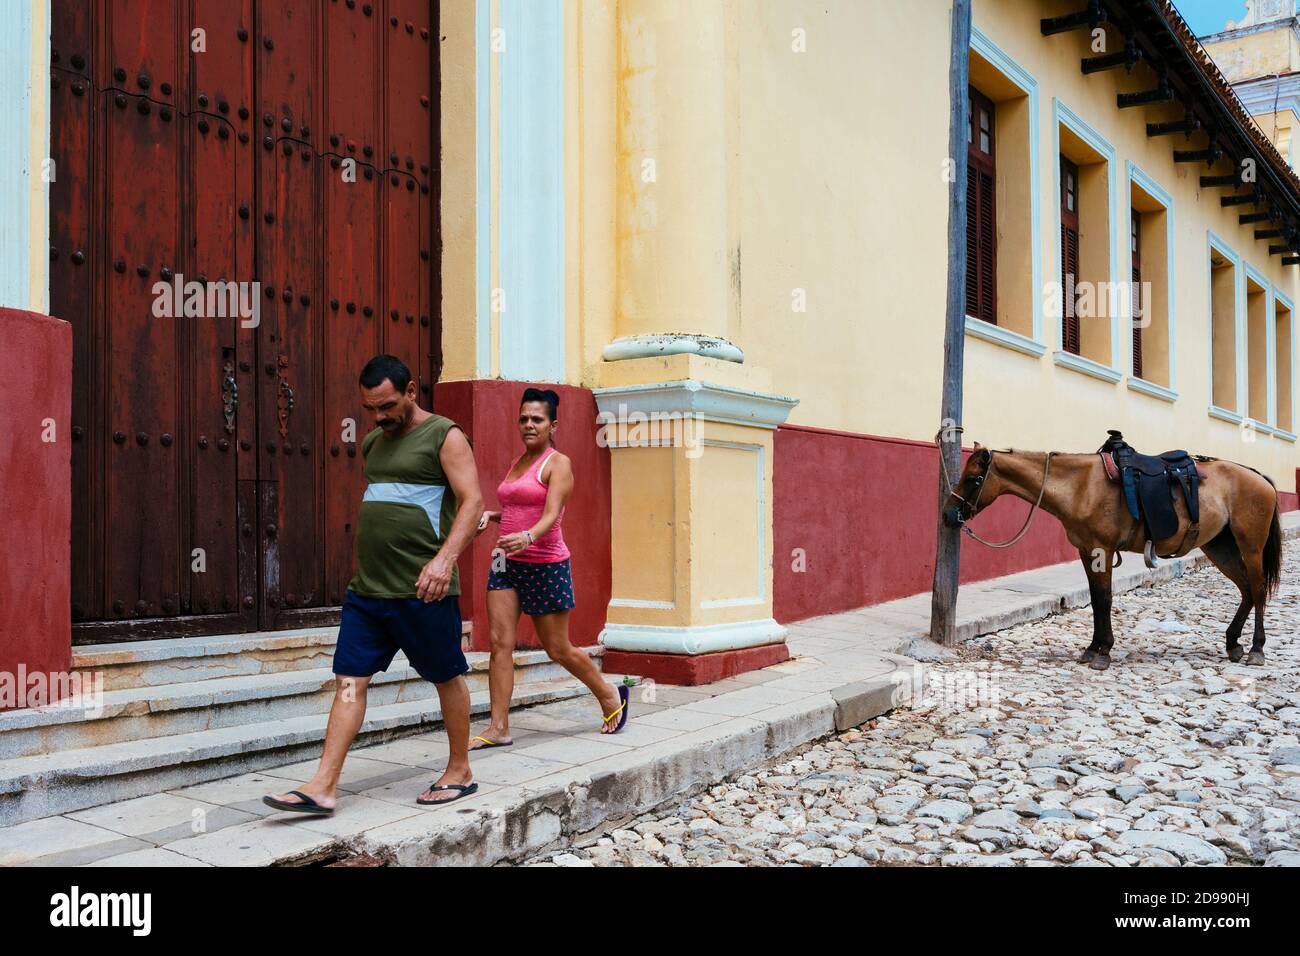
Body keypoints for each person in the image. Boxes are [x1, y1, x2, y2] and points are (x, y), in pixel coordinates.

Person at [263, 355, 485, 815]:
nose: (379, 417)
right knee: (349, 681)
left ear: (411, 391)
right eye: (370, 409)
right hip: (368, 593)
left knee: (446, 676)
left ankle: (460, 769)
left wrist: (444, 562)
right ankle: (323, 785)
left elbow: (471, 502)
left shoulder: (445, 436)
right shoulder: (372, 444)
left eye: (387, 406)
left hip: (423, 591)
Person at [469, 387, 628, 750]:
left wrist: (528, 536)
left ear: (552, 424)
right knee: (499, 644)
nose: (528, 425)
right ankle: (498, 727)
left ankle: (608, 694)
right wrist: (493, 516)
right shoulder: (517, 462)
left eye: (536, 419)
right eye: (523, 418)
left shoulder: (559, 464)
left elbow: (552, 514)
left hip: (545, 563)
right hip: (505, 563)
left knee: (557, 647)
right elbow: (515, 505)